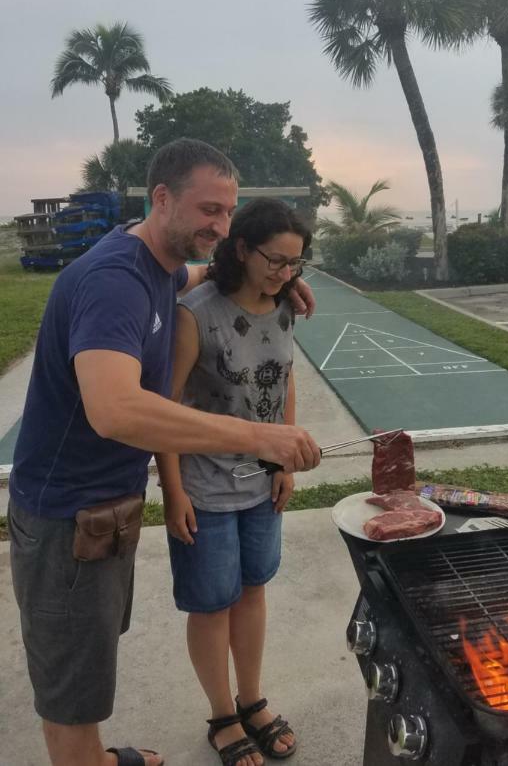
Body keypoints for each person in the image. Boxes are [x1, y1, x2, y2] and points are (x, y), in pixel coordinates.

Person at [7, 138, 321, 766]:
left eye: (229, 213)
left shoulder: (159, 265)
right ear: (161, 198)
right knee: (71, 692)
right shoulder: (114, 280)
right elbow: (115, 409)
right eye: (209, 209)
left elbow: (199, 275)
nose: (221, 226)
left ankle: (97, 759)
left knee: (89, 667)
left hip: (106, 508)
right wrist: (261, 439)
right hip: (66, 513)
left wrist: (280, 283)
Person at [157, 198, 312, 766]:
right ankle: (222, 716)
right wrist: (173, 493)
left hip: (261, 486)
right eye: (275, 260)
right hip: (205, 489)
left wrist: (285, 460)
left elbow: (288, 379)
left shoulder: (285, 307)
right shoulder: (195, 313)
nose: (285, 273)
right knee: (212, 604)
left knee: (252, 591)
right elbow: (164, 407)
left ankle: (252, 700)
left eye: (296, 264)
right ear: (242, 248)